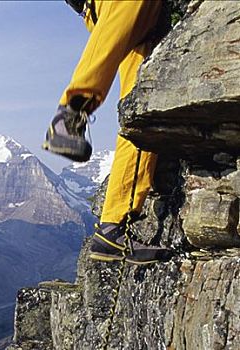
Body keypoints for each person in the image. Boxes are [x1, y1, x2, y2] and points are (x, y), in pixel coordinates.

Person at [42, 0, 170, 264]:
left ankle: (113, 226)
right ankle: (71, 115)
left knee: (143, 113)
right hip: (119, 7)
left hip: (141, 18)